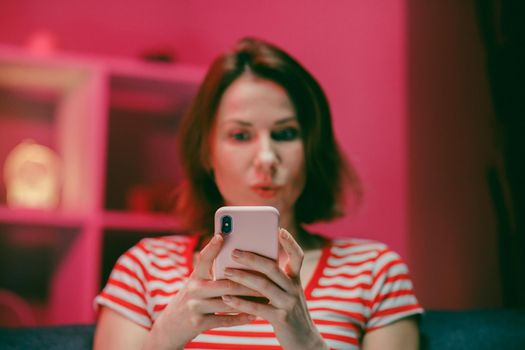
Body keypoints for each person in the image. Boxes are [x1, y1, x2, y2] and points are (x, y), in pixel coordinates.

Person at [94, 37, 423, 349]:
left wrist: (307, 341)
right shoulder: (144, 268)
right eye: (240, 135)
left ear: (311, 150)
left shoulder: (374, 270)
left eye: (285, 133)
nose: (266, 157)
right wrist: (165, 337)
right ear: (206, 152)